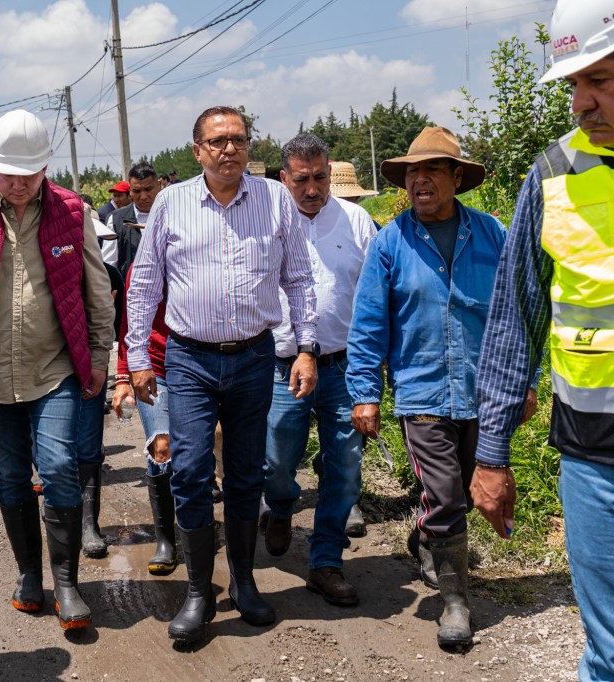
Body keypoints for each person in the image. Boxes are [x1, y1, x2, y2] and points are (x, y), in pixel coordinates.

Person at [125, 106, 318, 646]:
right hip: (189, 358)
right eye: (217, 141)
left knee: (244, 474)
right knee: (187, 471)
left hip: (255, 357)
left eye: (238, 139)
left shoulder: (276, 199)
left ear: (249, 146)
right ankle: (197, 591)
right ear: (197, 150)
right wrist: (137, 358)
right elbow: (144, 286)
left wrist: (306, 348)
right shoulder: (172, 201)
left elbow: (299, 279)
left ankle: (244, 581)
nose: (229, 149)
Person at [0, 109, 114, 630]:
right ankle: (30, 575)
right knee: (11, 476)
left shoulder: (71, 211)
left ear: (44, 170)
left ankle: (68, 584)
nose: (17, 184)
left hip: (55, 369)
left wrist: (100, 358)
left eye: (27, 176)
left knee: (56, 467)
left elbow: (99, 292)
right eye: (7, 174)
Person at [473, 2, 614, 677]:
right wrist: (492, 453)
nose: (583, 103)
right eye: (573, 86)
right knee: (611, 648)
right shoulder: (554, 174)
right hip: (594, 459)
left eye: (603, 80)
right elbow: (513, 320)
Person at [346, 127, 513, 649]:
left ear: (456, 178)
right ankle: (457, 603)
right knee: (445, 493)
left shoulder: (492, 234)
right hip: (422, 392)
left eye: (433, 170)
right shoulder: (390, 241)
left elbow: (515, 315)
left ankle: (426, 535)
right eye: (413, 172)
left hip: (481, 389)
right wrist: (365, 391)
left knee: (459, 490)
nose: (420, 180)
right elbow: (369, 321)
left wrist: (523, 382)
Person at [262, 135, 377, 607]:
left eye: (320, 178)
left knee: (346, 468)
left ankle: (326, 560)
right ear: (284, 178)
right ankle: (282, 505)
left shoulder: (356, 222)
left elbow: (373, 296)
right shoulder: (266, 223)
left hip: (344, 365)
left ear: (330, 173)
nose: (312, 189)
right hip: (280, 365)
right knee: (274, 460)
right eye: (302, 179)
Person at [113, 263, 176, 575]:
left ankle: (198, 527)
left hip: (203, 366)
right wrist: (123, 375)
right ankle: (166, 539)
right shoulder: (144, 262)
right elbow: (129, 320)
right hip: (154, 368)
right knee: (161, 448)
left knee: (199, 453)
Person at [107, 162, 160, 281]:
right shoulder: (116, 220)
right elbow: (110, 264)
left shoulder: (173, 214)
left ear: (159, 185)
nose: (143, 197)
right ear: (130, 191)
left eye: (148, 189)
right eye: (137, 191)